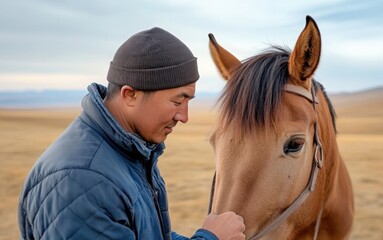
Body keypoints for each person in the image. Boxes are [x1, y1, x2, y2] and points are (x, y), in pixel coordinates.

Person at [18, 27, 245, 240]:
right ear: (130, 95)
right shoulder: (82, 180)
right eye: (177, 101)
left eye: (188, 101)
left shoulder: (128, 153)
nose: (184, 117)